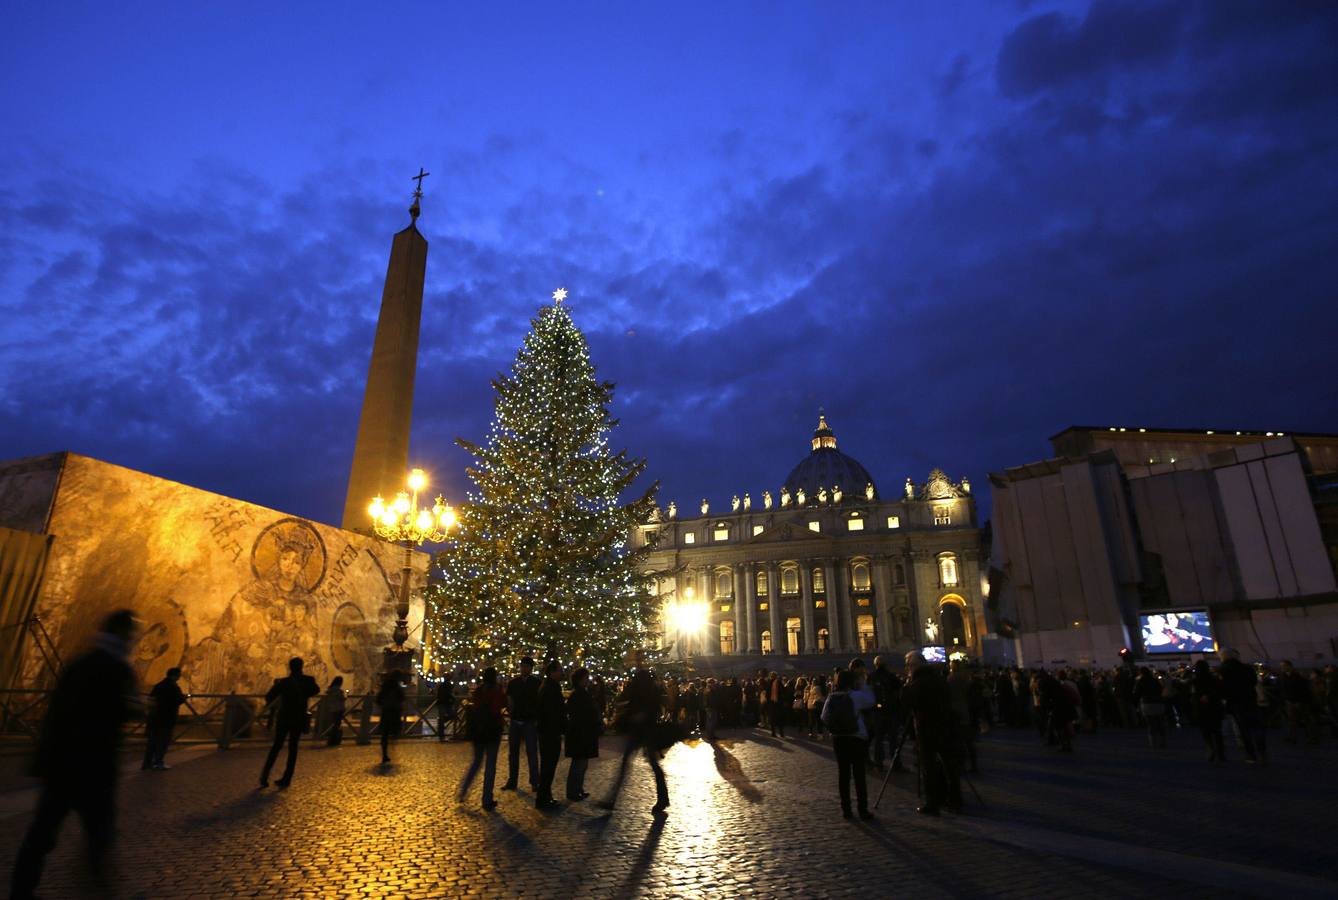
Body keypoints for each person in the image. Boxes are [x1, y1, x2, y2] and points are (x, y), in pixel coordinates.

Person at [11, 610, 139, 900]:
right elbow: (119, 709)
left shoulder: (79, 663)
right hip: (92, 766)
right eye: (132, 634)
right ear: (122, 634)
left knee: (42, 834)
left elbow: (57, 712)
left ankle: (21, 891)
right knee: (99, 833)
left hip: (60, 764)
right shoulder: (117, 668)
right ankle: (99, 889)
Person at [598, 665, 670, 817]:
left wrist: (635, 715)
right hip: (645, 732)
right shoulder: (651, 690)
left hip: (642, 732)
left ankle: (612, 799)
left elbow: (625, 701)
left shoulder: (642, 690)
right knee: (649, 766)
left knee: (630, 765)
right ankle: (662, 798)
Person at [901, 650, 961, 815]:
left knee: (929, 766)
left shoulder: (917, 683)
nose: (907, 668)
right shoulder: (940, 679)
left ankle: (932, 802)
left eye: (908, 665)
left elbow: (906, 702)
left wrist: (907, 685)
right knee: (949, 765)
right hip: (946, 726)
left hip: (926, 728)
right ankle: (956, 800)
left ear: (913, 666)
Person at [821, 668, 876, 820]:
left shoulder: (832, 697)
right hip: (856, 737)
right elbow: (871, 700)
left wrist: (835, 727)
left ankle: (846, 810)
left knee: (843, 774)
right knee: (859, 774)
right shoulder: (856, 696)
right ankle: (862, 809)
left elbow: (824, 717)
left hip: (839, 739)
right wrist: (863, 684)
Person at [259, 656, 319, 788]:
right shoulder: (308, 680)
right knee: (293, 748)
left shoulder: (284, 682)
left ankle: (265, 775)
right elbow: (316, 690)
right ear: (301, 666)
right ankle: (287, 778)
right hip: (298, 718)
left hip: (284, 717)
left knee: (276, 746)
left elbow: (269, 696)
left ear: (290, 667)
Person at [458, 667, 506, 810]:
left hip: (478, 732)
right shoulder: (497, 692)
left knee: (476, 763)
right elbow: (501, 707)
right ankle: (486, 798)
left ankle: (463, 791)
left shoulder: (478, 691)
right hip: (492, 731)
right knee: (490, 766)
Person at [503, 657, 541, 791]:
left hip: (529, 720)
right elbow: (509, 699)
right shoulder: (514, 682)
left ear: (531, 668)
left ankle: (535, 781)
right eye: (522, 666)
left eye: (526, 666)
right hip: (516, 719)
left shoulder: (536, 682)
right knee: (513, 753)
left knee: (531, 752)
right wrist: (511, 712)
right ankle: (513, 780)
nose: (523, 668)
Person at [564, 667, 601, 800]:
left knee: (582, 764)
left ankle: (578, 789)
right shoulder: (578, 695)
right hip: (580, 734)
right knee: (578, 764)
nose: (588, 680)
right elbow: (580, 715)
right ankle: (573, 791)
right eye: (586, 678)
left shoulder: (582, 693)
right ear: (580, 680)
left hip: (583, 733)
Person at [536, 660, 566, 809]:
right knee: (549, 766)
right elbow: (553, 712)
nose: (562, 673)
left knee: (547, 765)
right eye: (559, 670)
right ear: (552, 672)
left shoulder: (547, 686)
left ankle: (545, 796)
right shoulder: (551, 689)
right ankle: (543, 798)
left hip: (546, 731)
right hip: (550, 732)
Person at [143, 666, 186, 770]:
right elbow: (179, 700)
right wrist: (184, 697)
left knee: (152, 741)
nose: (179, 677)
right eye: (179, 675)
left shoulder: (159, 685)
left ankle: (147, 763)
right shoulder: (173, 687)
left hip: (155, 717)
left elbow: (151, 699)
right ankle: (158, 762)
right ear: (175, 675)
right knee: (163, 741)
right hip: (167, 718)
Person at [869, 657, 901, 769]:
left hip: (877, 712)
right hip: (891, 710)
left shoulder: (871, 676)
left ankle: (879, 762)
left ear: (875, 665)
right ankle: (896, 762)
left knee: (879, 739)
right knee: (893, 738)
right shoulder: (891, 676)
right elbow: (899, 689)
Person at [1192, 659, 1225, 762]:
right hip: (1215, 707)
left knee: (1206, 731)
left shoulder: (1195, 680)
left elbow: (1193, 694)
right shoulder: (1215, 678)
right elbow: (1220, 691)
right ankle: (1220, 752)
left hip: (1201, 708)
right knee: (1217, 731)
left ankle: (1210, 749)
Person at [376, 671, 406, 765]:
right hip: (394, 711)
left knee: (385, 734)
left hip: (386, 711)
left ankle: (385, 752)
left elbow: (378, 699)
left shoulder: (385, 686)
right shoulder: (397, 687)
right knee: (393, 731)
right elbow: (402, 698)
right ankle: (390, 748)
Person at [1134, 667, 1167, 749]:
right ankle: (1163, 742)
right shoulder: (1155, 680)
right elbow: (1160, 689)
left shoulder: (1140, 681)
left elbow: (1137, 693)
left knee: (1151, 725)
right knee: (1160, 724)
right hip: (1158, 703)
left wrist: (1136, 704)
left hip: (1147, 703)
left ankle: (1153, 743)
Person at [322, 676, 346, 746]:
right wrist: (346, 695)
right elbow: (343, 699)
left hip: (333, 709)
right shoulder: (339, 691)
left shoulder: (330, 691)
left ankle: (332, 740)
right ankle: (333, 740)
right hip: (339, 709)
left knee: (335, 724)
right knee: (337, 725)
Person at [435, 678, 456, 742]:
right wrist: (453, 699)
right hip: (446, 704)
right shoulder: (447, 686)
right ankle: (441, 734)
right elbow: (449, 694)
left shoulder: (441, 686)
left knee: (442, 719)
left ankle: (441, 735)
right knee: (452, 715)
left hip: (442, 703)